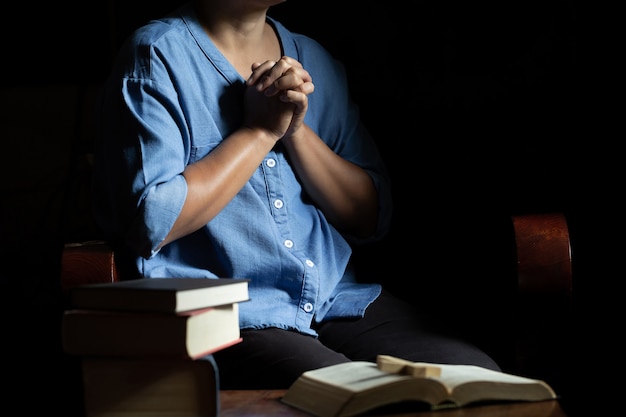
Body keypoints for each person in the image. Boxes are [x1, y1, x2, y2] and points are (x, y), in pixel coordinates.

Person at [93, 0, 500, 389]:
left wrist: (295, 131)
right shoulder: (156, 55)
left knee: (482, 380)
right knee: (349, 396)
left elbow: (371, 217)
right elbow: (149, 221)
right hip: (230, 317)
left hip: (334, 298)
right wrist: (259, 132)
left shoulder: (314, 58)